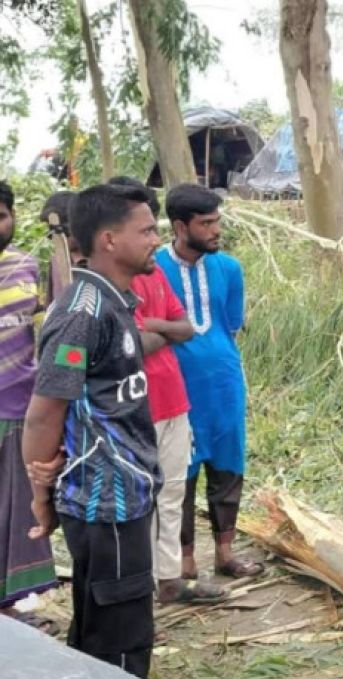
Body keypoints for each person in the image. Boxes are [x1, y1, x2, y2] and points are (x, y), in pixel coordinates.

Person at [22, 183, 162, 679]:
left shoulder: (113, 300)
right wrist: (40, 496)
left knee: (100, 628)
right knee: (120, 643)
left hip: (123, 496)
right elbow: (43, 413)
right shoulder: (81, 315)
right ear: (108, 240)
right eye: (146, 230)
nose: (156, 239)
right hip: (107, 502)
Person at [105, 177, 226, 605]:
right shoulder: (107, 287)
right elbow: (130, 345)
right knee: (139, 500)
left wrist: (151, 327)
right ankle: (139, 584)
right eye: (144, 230)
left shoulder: (154, 274)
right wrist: (162, 332)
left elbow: (186, 328)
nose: (152, 240)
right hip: (137, 406)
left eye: (151, 228)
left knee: (172, 493)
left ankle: (169, 579)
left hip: (175, 400)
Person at [155, 185, 263, 580]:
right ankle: (184, 561)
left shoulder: (229, 269)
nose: (216, 230)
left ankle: (225, 554)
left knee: (228, 464)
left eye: (217, 221)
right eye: (206, 223)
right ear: (180, 227)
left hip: (224, 382)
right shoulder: (153, 269)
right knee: (180, 469)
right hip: (177, 388)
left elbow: (230, 325)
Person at [0, 180, 58, 633]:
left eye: (1, 216)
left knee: (16, 512)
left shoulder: (26, 267)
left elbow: (46, 331)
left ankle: (7, 606)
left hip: (20, 407)